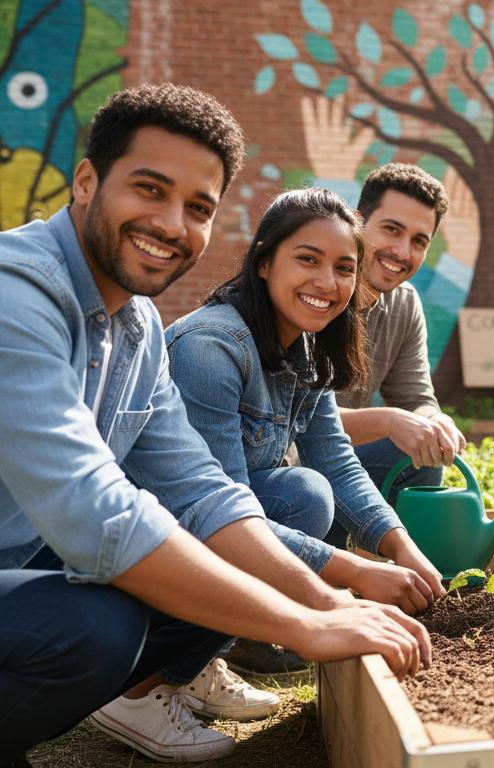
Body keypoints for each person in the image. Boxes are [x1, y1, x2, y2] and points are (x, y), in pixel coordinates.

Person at [0, 83, 429, 766]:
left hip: (31, 557)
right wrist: (304, 623)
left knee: (273, 506)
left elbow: (202, 492)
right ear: (86, 182)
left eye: (198, 207)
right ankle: (136, 693)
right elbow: (96, 513)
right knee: (92, 629)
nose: (172, 223)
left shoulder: (137, 324)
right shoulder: (17, 295)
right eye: (149, 189)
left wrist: (330, 602)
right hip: (39, 556)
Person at [164, 188, 446, 618]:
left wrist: (403, 548)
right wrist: (355, 574)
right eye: (308, 259)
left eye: (344, 268)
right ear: (263, 261)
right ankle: (205, 648)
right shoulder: (211, 348)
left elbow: (336, 460)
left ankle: (240, 632)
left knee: (309, 490)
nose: (327, 283)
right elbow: (216, 509)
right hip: (165, 533)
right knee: (305, 495)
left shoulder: (307, 346)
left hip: (221, 521)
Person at [336, 163, 465, 511]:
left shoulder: (404, 304)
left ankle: (380, 555)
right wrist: (389, 421)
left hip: (337, 461)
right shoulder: (317, 292)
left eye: (419, 241)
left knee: (420, 453)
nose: (402, 252)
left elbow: (414, 397)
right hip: (282, 466)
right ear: (357, 221)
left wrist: (434, 419)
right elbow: (298, 422)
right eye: (392, 229)